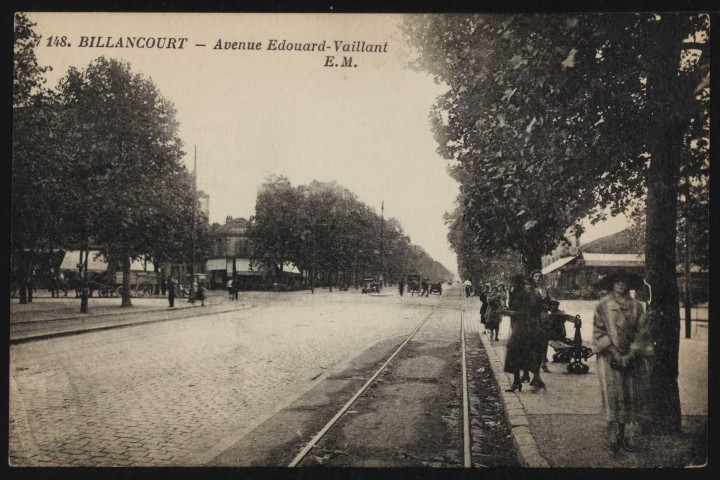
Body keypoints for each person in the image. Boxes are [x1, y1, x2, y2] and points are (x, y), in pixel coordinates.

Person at [593, 269, 653, 454]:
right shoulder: (602, 306)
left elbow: (642, 332)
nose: (621, 285)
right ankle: (611, 440)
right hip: (609, 358)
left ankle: (622, 436)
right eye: (617, 281)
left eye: (624, 282)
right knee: (612, 396)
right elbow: (598, 331)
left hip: (631, 359)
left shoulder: (637, 306)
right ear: (612, 284)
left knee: (628, 396)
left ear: (629, 285)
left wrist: (631, 353)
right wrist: (613, 352)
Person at [503, 275, 544, 393]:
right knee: (520, 354)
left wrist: (508, 312)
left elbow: (524, 313)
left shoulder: (524, 295)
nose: (511, 285)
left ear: (517, 284)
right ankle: (520, 381)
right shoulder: (517, 294)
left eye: (513, 283)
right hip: (519, 328)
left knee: (522, 354)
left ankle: (529, 380)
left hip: (523, 329)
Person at [529, 270, 554, 374]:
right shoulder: (530, 290)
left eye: (539, 276)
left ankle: (544, 363)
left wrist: (552, 306)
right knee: (534, 341)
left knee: (544, 340)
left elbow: (549, 301)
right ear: (532, 278)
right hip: (534, 317)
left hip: (544, 317)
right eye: (536, 276)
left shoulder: (544, 289)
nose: (538, 278)